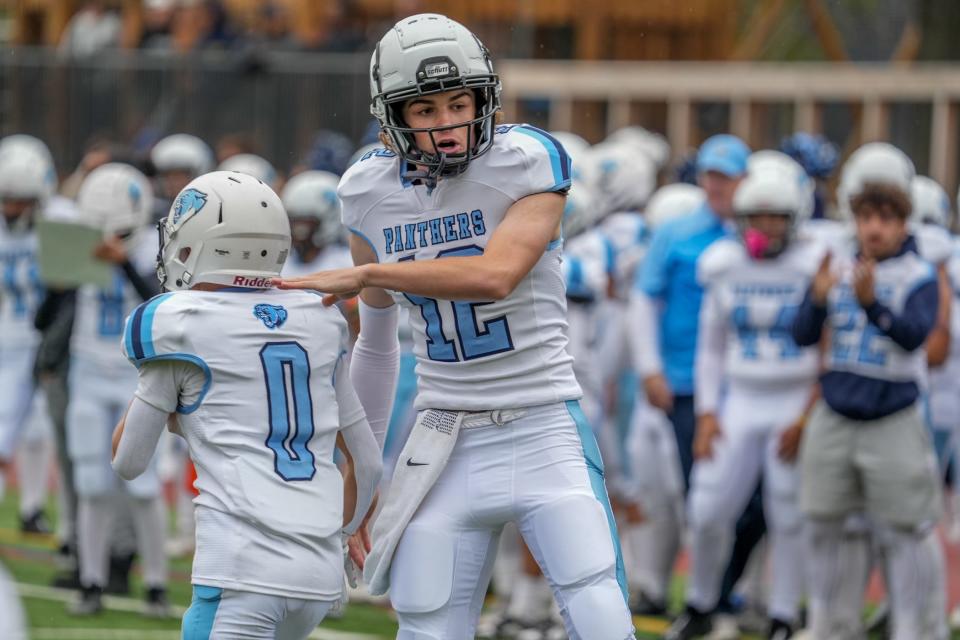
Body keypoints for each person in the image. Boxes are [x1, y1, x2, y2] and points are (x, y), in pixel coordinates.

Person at [276, 13, 634, 640]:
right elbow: (379, 348)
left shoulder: (527, 161)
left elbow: (496, 275)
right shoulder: (366, 191)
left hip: (541, 419)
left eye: (459, 102)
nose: (448, 124)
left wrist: (368, 275)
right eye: (426, 110)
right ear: (394, 117)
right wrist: (361, 467)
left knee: (599, 614)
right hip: (443, 437)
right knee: (424, 620)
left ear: (484, 97)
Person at [112, 171, 381, 639]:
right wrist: (345, 531)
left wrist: (174, 402)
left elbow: (128, 461)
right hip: (317, 576)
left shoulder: (177, 325)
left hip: (240, 568)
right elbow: (369, 462)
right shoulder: (319, 315)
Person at [792, 142, 943, 640]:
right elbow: (802, 335)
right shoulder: (834, 264)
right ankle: (824, 624)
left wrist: (872, 303)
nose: (874, 228)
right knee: (822, 524)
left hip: (893, 416)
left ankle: (908, 628)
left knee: (902, 532)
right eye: (866, 217)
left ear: (904, 224)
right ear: (853, 219)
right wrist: (815, 302)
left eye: (886, 218)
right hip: (836, 411)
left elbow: (914, 336)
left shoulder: (918, 273)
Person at [666, 163, 823, 640]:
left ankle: (782, 614)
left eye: (776, 217)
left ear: (795, 219)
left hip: (792, 398)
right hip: (741, 399)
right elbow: (711, 347)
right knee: (708, 508)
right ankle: (701, 603)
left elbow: (827, 347)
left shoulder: (814, 262)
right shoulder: (724, 262)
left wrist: (807, 414)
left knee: (788, 513)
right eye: (757, 217)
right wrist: (709, 412)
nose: (765, 227)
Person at [62, 163, 170, 616]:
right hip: (87, 370)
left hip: (136, 375)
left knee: (143, 487)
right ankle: (91, 581)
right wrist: (62, 274)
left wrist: (122, 261)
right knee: (91, 485)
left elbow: (158, 301)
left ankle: (157, 586)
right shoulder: (79, 242)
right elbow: (48, 313)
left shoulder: (156, 244)